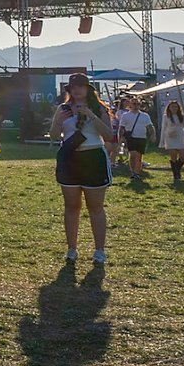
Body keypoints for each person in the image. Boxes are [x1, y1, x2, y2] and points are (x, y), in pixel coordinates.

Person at [50, 72, 113, 264]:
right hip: (70, 158)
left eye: (80, 86)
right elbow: (53, 135)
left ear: (88, 89)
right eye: (73, 87)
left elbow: (109, 135)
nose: (76, 90)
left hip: (93, 157)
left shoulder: (99, 108)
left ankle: (99, 250)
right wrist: (58, 121)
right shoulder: (63, 109)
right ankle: (71, 249)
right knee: (71, 206)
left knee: (95, 206)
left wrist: (91, 115)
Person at [159, 99, 184, 184]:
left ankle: (177, 169)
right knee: (173, 156)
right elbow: (163, 128)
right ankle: (176, 174)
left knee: (183, 156)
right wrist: (162, 141)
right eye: (172, 107)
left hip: (180, 138)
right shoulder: (166, 116)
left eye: (176, 107)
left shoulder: (182, 116)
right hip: (170, 138)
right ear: (169, 108)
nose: (174, 108)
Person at [121, 97, 152, 179]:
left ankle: (137, 173)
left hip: (142, 137)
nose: (136, 106)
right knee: (132, 154)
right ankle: (133, 171)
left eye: (138, 104)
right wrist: (120, 137)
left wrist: (153, 135)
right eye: (134, 104)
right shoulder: (125, 115)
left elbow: (150, 126)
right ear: (130, 105)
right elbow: (121, 127)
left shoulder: (145, 115)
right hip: (131, 138)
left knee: (139, 155)